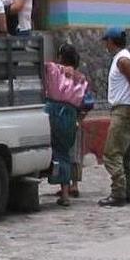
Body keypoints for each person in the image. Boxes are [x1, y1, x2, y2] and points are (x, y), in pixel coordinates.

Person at [98, 27, 130, 208]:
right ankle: (128, 192)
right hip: (126, 109)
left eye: (106, 41)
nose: (105, 45)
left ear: (111, 41)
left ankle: (118, 192)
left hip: (123, 111)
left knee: (111, 153)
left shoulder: (123, 60)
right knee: (128, 155)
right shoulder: (123, 57)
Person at [44, 43, 88, 207]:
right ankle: (66, 193)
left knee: (50, 150)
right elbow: (86, 101)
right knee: (65, 153)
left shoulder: (53, 69)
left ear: (61, 57)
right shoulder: (81, 78)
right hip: (71, 115)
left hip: (53, 111)